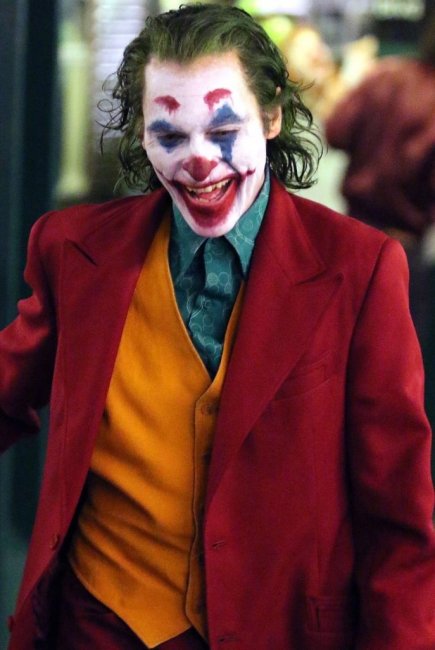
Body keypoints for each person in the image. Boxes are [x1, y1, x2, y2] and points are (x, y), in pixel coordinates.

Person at [2, 4, 435, 649]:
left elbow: (397, 518)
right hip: (99, 624)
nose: (199, 162)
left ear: (272, 115)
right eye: (170, 136)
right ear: (141, 134)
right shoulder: (75, 253)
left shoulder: (361, 270)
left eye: (225, 129)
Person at [324, 12, 435, 341]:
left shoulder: (386, 75)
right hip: (403, 254)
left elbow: (336, 131)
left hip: (348, 236)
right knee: (393, 357)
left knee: (335, 347)